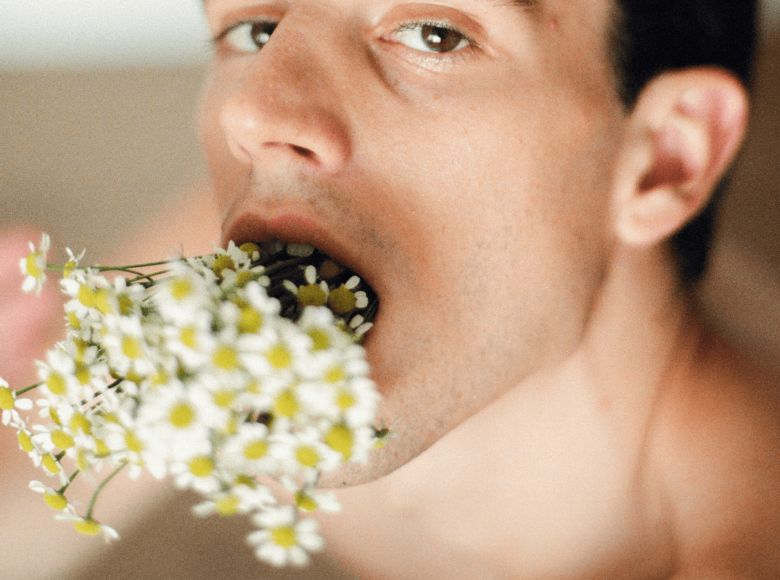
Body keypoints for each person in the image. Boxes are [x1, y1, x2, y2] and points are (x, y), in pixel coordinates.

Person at [2, 0, 778, 578]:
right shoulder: (292, 237)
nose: (255, 112)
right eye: (257, 29)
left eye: (436, 34)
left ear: (664, 158)